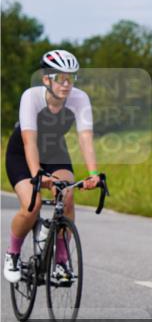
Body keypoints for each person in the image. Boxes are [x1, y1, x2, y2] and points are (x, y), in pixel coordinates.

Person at [4, 49, 102, 285]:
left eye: (71, 77)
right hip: (22, 153)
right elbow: (29, 141)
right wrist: (38, 174)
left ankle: (60, 262)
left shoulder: (80, 99)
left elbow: (85, 138)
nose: (67, 84)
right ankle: (13, 254)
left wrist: (93, 174)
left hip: (55, 151)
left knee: (66, 196)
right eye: (60, 78)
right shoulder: (32, 97)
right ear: (46, 79)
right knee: (32, 205)